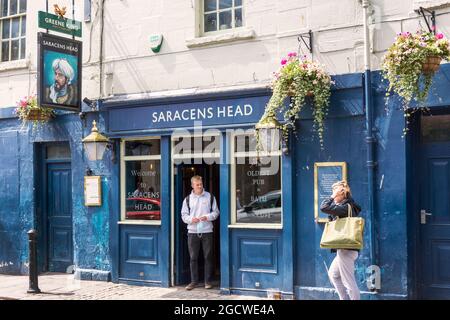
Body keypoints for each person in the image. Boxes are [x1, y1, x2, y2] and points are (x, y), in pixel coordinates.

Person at [320, 180, 362, 300]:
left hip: (346, 250)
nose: (333, 196)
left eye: (335, 193)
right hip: (344, 250)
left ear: (342, 194)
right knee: (334, 275)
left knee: (349, 282)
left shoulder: (345, 207)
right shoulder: (344, 207)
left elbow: (324, 207)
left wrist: (332, 197)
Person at [181, 175, 219, 290]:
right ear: (192, 185)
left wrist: (207, 217)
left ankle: (207, 281)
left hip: (207, 231)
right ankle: (194, 281)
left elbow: (216, 212)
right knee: (193, 257)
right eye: (197, 185)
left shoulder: (210, 197)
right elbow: (183, 215)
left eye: (201, 184)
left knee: (208, 256)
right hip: (192, 231)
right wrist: (191, 220)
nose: (200, 186)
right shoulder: (187, 199)